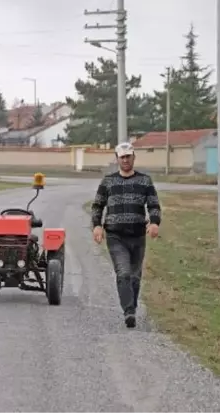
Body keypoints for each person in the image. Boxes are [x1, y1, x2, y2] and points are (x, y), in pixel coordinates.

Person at [90, 141, 161, 329]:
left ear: (134, 157)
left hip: (138, 236)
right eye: (122, 157)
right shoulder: (108, 181)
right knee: (123, 273)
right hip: (116, 236)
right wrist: (97, 226)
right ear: (117, 159)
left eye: (128, 156)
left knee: (135, 277)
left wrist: (154, 222)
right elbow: (97, 205)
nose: (126, 160)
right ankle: (129, 311)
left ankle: (132, 307)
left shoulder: (144, 181)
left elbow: (153, 204)